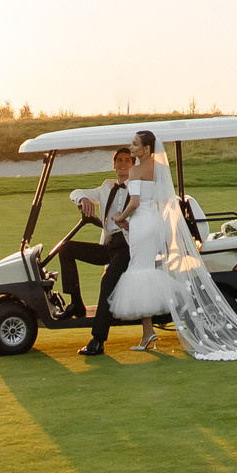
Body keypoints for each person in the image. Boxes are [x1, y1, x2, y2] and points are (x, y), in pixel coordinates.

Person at [105, 129, 237, 362]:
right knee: (145, 269)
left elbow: (135, 202)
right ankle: (147, 333)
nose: (130, 148)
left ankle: (148, 332)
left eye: (134, 145)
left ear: (146, 149)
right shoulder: (159, 169)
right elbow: (159, 200)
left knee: (139, 271)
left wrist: (121, 218)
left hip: (141, 222)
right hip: (154, 221)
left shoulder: (135, 170)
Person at [53, 148, 137, 356]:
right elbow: (75, 192)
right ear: (114, 164)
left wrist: (129, 224)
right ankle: (76, 303)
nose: (123, 163)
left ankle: (98, 340)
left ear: (133, 165)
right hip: (109, 246)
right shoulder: (107, 186)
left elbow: (148, 216)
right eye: (119, 160)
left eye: (127, 160)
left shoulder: (138, 188)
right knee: (66, 248)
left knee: (106, 281)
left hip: (128, 247)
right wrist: (83, 199)